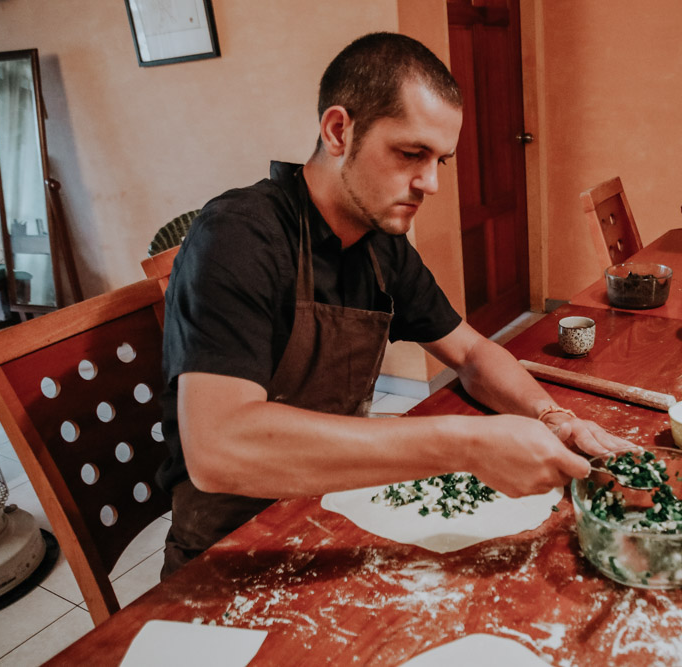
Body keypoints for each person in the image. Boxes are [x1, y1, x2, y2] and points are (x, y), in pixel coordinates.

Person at [157, 32, 632, 578]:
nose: (429, 183)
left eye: (440, 161)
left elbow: (473, 353)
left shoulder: (380, 244)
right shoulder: (238, 237)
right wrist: (465, 442)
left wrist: (552, 417)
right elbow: (218, 448)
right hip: (229, 551)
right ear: (339, 131)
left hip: (327, 505)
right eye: (410, 154)